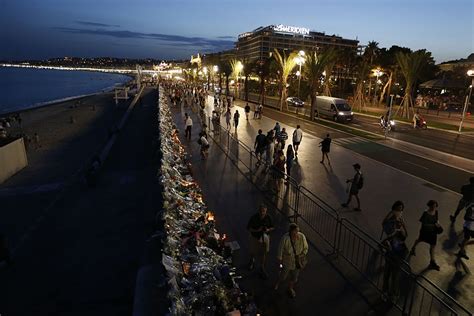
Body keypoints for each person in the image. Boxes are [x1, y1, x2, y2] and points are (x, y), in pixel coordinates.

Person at [381, 204, 408, 301]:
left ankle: (394, 293)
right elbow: (385, 226)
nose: (400, 212)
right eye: (398, 210)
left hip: (399, 254)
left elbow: (405, 236)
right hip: (391, 253)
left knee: (395, 276)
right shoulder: (390, 224)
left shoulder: (400, 227)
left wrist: (402, 227)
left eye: (401, 210)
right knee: (387, 274)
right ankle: (385, 292)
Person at [274, 223, 308, 298]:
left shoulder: (302, 236)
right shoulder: (285, 239)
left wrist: (301, 255)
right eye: (295, 232)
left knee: (294, 277)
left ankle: (290, 288)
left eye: (297, 231)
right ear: (290, 232)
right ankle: (278, 282)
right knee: (283, 276)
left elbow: (305, 248)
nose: (296, 234)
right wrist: (280, 262)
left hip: (297, 261)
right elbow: (280, 250)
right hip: (287, 261)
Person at [409, 200, 442, 270]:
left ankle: (432, 261)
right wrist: (434, 225)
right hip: (425, 232)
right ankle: (413, 248)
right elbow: (424, 224)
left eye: (435, 206)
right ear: (429, 206)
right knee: (420, 240)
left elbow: (436, 220)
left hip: (433, 233)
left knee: (433, 246)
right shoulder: (425, 213)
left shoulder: (436, 212)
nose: (434, 208)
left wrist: (438, 224)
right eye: (432, 206)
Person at [247, 204, 275, 279]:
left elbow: (273, 227)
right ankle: (252, 261)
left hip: (265, 238)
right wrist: (257, 230)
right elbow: (249, 228)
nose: (262, 213)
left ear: (266, 211)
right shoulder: (254, 218)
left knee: (264, 252)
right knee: (253, 251)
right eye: (261, 211)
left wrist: (268, 230)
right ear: (259, 211)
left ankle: (262, 266)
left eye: (264, 211)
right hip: (255, 237)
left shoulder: (268, 217)